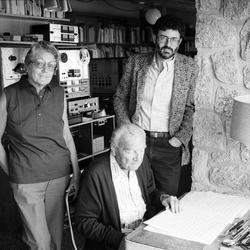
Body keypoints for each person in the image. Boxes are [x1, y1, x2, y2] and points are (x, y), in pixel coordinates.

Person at [0, 41, 80, 250]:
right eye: (40, 63)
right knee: (39, 242)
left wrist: (76, 173)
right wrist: (14, 172)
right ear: (27, 65)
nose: (46, 70)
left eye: (51, 65)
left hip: (59, 175)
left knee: (56, 237)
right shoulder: (8, 95)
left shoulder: (60, 93)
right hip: (26, 180)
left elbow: (66, 135)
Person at [113, 15, 198, 196]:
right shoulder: (136, 62)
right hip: (137, 140)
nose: (168, 44)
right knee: (135, 195)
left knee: (166, 200)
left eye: (174, 39)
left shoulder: (189, 67)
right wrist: (127, 129)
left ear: (180, 42)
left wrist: (179, 138)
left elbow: (191, 107)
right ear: (155, 38)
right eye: (163, 38)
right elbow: (120, 97)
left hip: (169, 144)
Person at [75, 123, 181, 250]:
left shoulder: (141, 163)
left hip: (141, 234)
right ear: (114, 149)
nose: (137, 158)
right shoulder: (96, 173)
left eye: (141, 150)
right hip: (113, 243)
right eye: (130, 151)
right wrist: (119, 240)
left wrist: (164, 198)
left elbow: (151, 192)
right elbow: (84, 221)